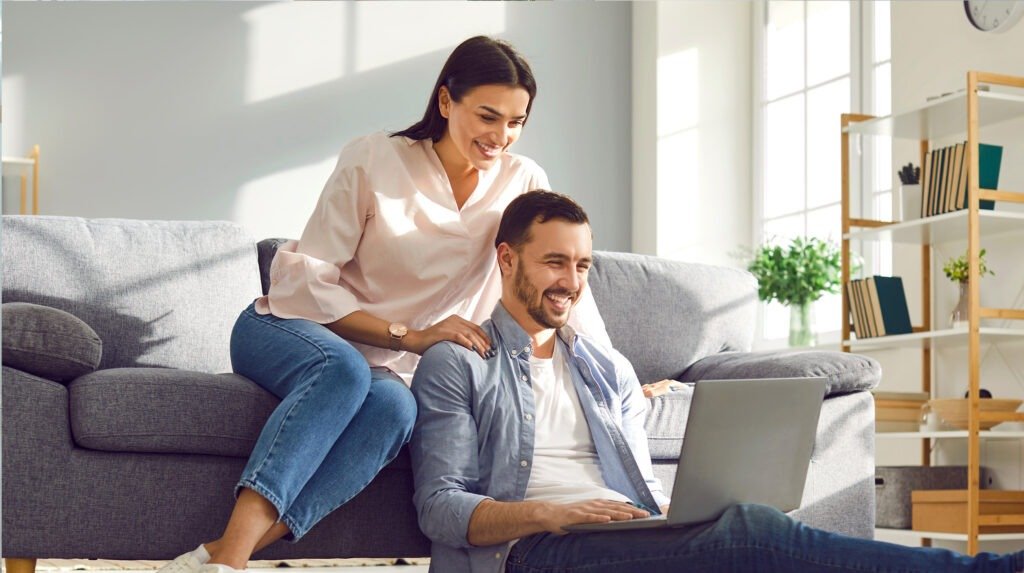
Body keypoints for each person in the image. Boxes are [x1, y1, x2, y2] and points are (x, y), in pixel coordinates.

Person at [158, 36, 608, 573]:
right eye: (488, 116)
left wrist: (602, 366)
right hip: (290, 328)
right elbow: (309, 283)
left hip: (387, 369)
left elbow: (557, 267)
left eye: (515, 122)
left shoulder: (522, 181)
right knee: (343, 368)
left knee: (398, 409)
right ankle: (230, 562)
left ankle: (223, 549)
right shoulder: (374, 158)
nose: (500, 136)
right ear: (445, 102)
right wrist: (410, 336)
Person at [410, 189, 1024, 573]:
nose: (571, 281)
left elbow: (642, 485)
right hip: (529, 552)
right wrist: (550, 514)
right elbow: (440, 509)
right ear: (508, 259)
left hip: (618, 532)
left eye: (582, 265)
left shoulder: (608, 368)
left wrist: (674, 513)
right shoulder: (457, 362)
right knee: (750, 537)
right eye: (553, 262)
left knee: (746, 525)